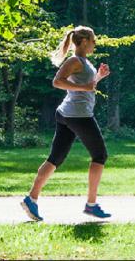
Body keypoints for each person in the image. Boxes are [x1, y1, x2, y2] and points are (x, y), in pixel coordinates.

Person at [20, 25, 112, 221]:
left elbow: (87, 87)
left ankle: (31, 199)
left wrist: (98, 77)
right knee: (100, 155)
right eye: (93, 40)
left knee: (56, 158)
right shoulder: (74, 61)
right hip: (78, 115)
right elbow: (57, 81)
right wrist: (84, 86)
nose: (95, 44)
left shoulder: (84, 62)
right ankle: (91, 204)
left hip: (68, 113)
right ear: (85, 41)